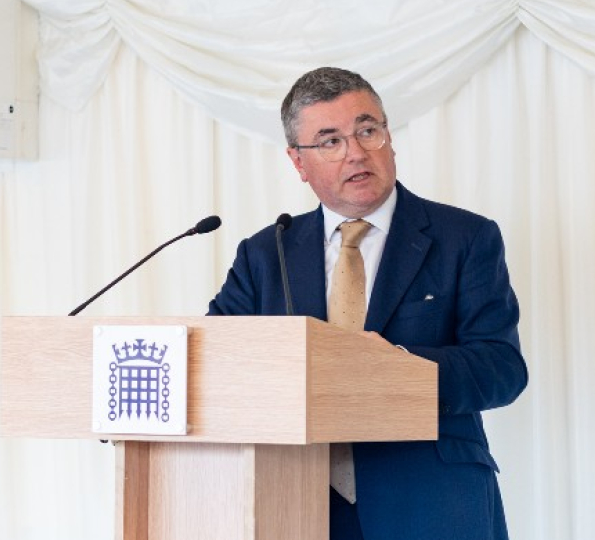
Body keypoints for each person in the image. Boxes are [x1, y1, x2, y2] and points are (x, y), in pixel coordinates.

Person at [207, 67, 528, 540]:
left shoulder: (465, 237)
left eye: (367, 130)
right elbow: (214, 364)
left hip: (431, 499)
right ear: (299, 162)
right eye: (330, 140)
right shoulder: (265, 254)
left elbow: (501, 369)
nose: (355, 152)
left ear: (388, 137)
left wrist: (383, 368)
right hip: (292, 499)